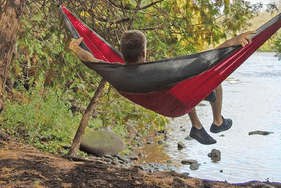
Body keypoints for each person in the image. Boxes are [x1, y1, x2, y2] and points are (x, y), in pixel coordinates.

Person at [69, 29, 256, 145]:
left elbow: (91, 59)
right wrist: (230, 43)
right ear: (144, 52)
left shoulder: (113, 72)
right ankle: (217, 121)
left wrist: (76, 48)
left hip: (162, 101)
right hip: (175, 103)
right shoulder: (157, 72)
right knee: (212, 78)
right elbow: (202, 61)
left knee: (185, 84)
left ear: (124, 53)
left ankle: (198, 123)